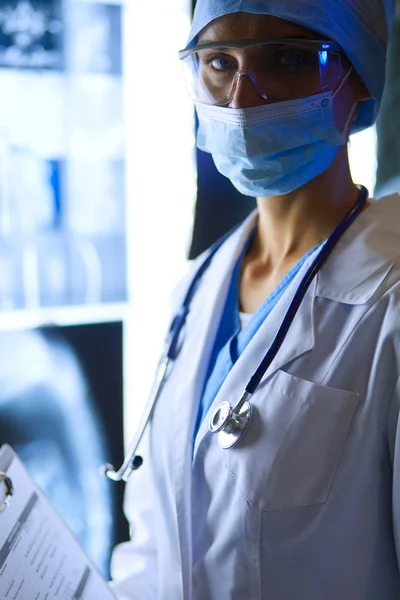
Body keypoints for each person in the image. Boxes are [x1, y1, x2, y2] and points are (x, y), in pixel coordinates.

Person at [110, 1, 400, 598]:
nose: (241, 100)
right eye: (218, 61)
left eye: (289, 59)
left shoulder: (389, 298)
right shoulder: (190, 295)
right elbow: (155, 544)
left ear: (358, 80)